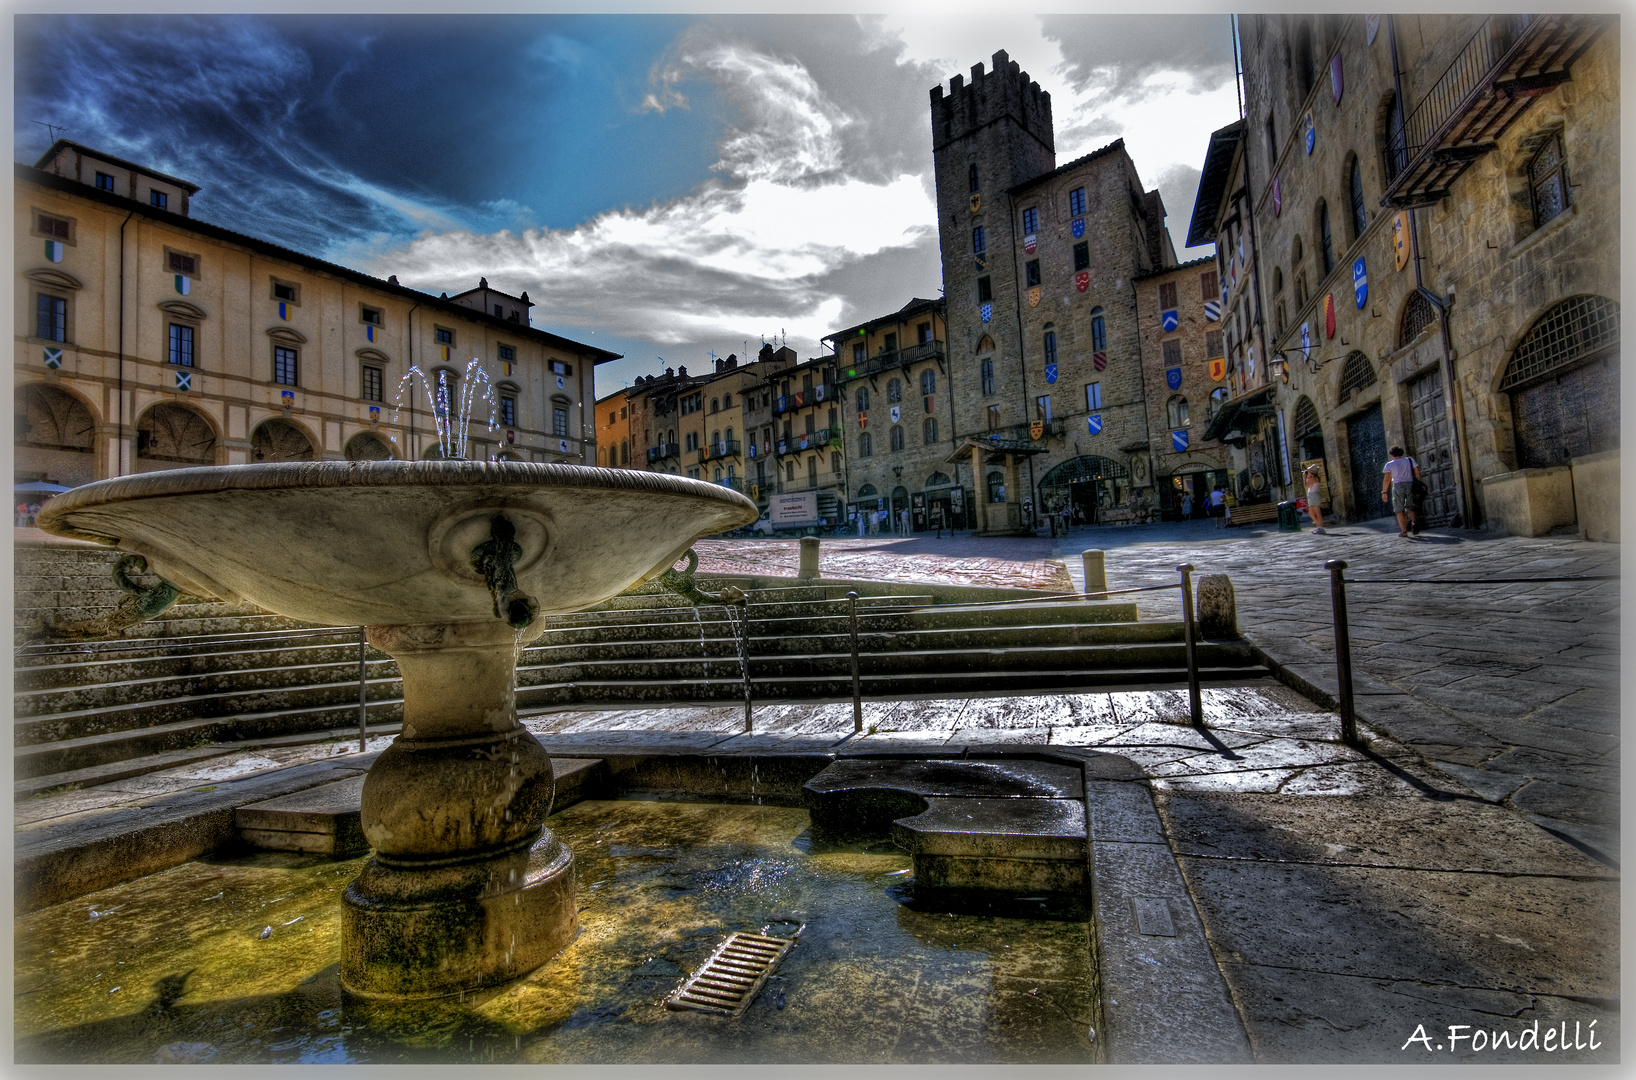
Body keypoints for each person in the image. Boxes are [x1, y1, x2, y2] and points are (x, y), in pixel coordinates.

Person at [1381, 446, 1423, 537]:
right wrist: (1419, 483)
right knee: (1410, 506)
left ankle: (1404, 531)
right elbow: (1417, 472)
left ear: (1392, 455)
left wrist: (1384, 492)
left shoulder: (1389, 464)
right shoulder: (1409, 460)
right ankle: (1414, 522)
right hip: (1410, 484)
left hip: (1398, 486)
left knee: (1399, 509)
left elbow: (1387, 479)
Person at [1304, 465, 1326, 535]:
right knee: (1311, 513)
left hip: (1314, 496)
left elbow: (1306, 486)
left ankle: (1320, 527)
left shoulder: (1313, 479)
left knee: (1317, 512)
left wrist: (1304, 478)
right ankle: (1319, 526)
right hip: (1313, 496)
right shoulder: (1315, 478)